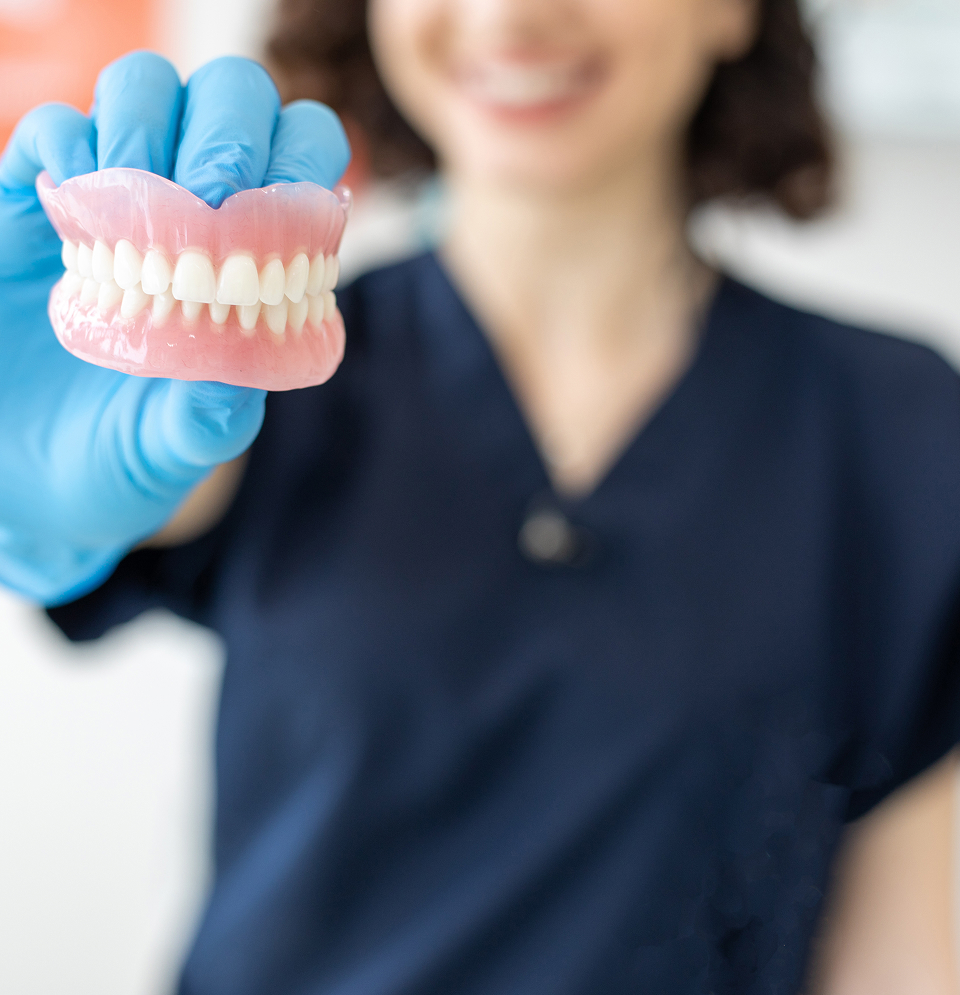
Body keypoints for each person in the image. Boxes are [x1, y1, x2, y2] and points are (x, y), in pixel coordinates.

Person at [0, 0, 958, 991]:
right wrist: (34, 476)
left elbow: (898, 956)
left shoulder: (899, 432)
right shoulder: (256, 370)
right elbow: (130, 500)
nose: (512, 15)